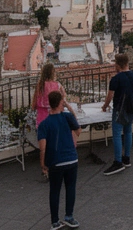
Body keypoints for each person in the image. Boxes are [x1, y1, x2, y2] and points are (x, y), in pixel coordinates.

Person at [37, 89, 82, 229]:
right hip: (71, 159)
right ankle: (69, 216)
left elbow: (43, 148)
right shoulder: (67, 117)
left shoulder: (44, 124)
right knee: (70, 188)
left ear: (50, 104)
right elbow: (78, 131)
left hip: (56, 161)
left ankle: (55, 221)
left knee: (55, 191)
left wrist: (43, 164)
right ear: (61, 102)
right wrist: (69, 108)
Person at [100, 53, 133, 174]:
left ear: (118, 64)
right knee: (128, 131)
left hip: (120, 109)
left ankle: (118, 162)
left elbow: (110, 96)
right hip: (131, 107)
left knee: (117, 135)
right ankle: (127, 158)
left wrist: (104, 106)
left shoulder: (116, 79)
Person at [34, 62, 63, 128]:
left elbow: (35, 99)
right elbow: (63, 97)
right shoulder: (57, 85)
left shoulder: (40, 84)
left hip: (41, 115)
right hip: (54, 114)